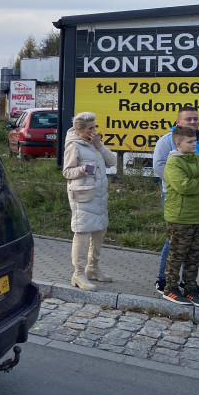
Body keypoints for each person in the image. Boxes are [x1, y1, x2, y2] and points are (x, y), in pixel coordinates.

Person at [152, 105, 199, 295]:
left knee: (193, 245)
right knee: (176, 242)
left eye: (195, 119)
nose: (193, 122)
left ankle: (187, 282)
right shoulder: (167, 141)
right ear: (178, 122)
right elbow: (161, 168)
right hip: (178, 199)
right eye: (188, 119)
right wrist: (198, 184)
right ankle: (164, 279)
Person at [61, 111, 117, 291]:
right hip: (83, 196)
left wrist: (99, 144)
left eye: (95, 127)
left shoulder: (94, 144)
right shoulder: (73, 145)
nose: (94, 131)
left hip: (99, 195)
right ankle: (78, 274)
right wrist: (83, 169)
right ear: (79, 129)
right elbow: (67, 172)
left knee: (100, 230)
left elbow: (112, 161)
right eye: (90, 128)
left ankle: (92, 268)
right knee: (83, 233)